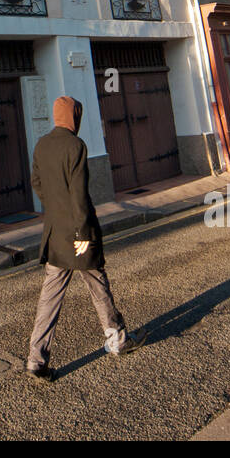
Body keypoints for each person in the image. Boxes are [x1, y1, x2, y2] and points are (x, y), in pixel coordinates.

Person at [25, 95, 145, 380]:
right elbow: (79, 193)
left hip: (55, 233)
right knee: (98, 284)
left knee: (50, 297)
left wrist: (55, 208)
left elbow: (37, 183)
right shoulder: (76, 146)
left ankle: (35, 359)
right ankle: (117, 340)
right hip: (78, 233)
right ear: (74, 117)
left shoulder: (42, 144)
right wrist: (81, 233)